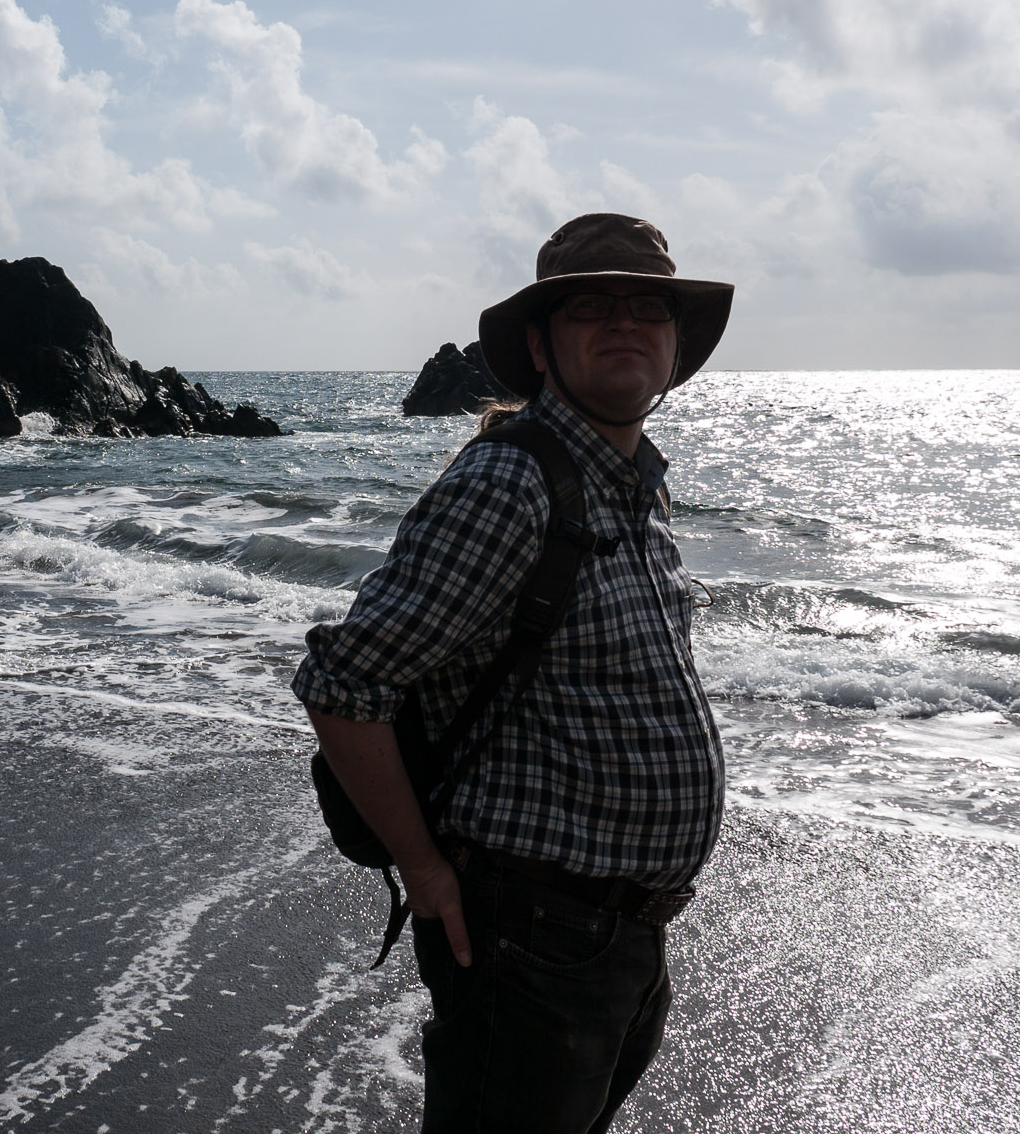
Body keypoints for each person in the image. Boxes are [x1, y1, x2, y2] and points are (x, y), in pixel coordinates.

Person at [293, 212, 734, 1134]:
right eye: (591, 307)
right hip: (531, 936)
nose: (624, 322)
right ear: (540, 345)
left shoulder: (634, 486)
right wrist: (424, 871)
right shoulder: (513, 482)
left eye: (647, 306)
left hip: (614, 935)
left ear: (676, 342)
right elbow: (343, 682)